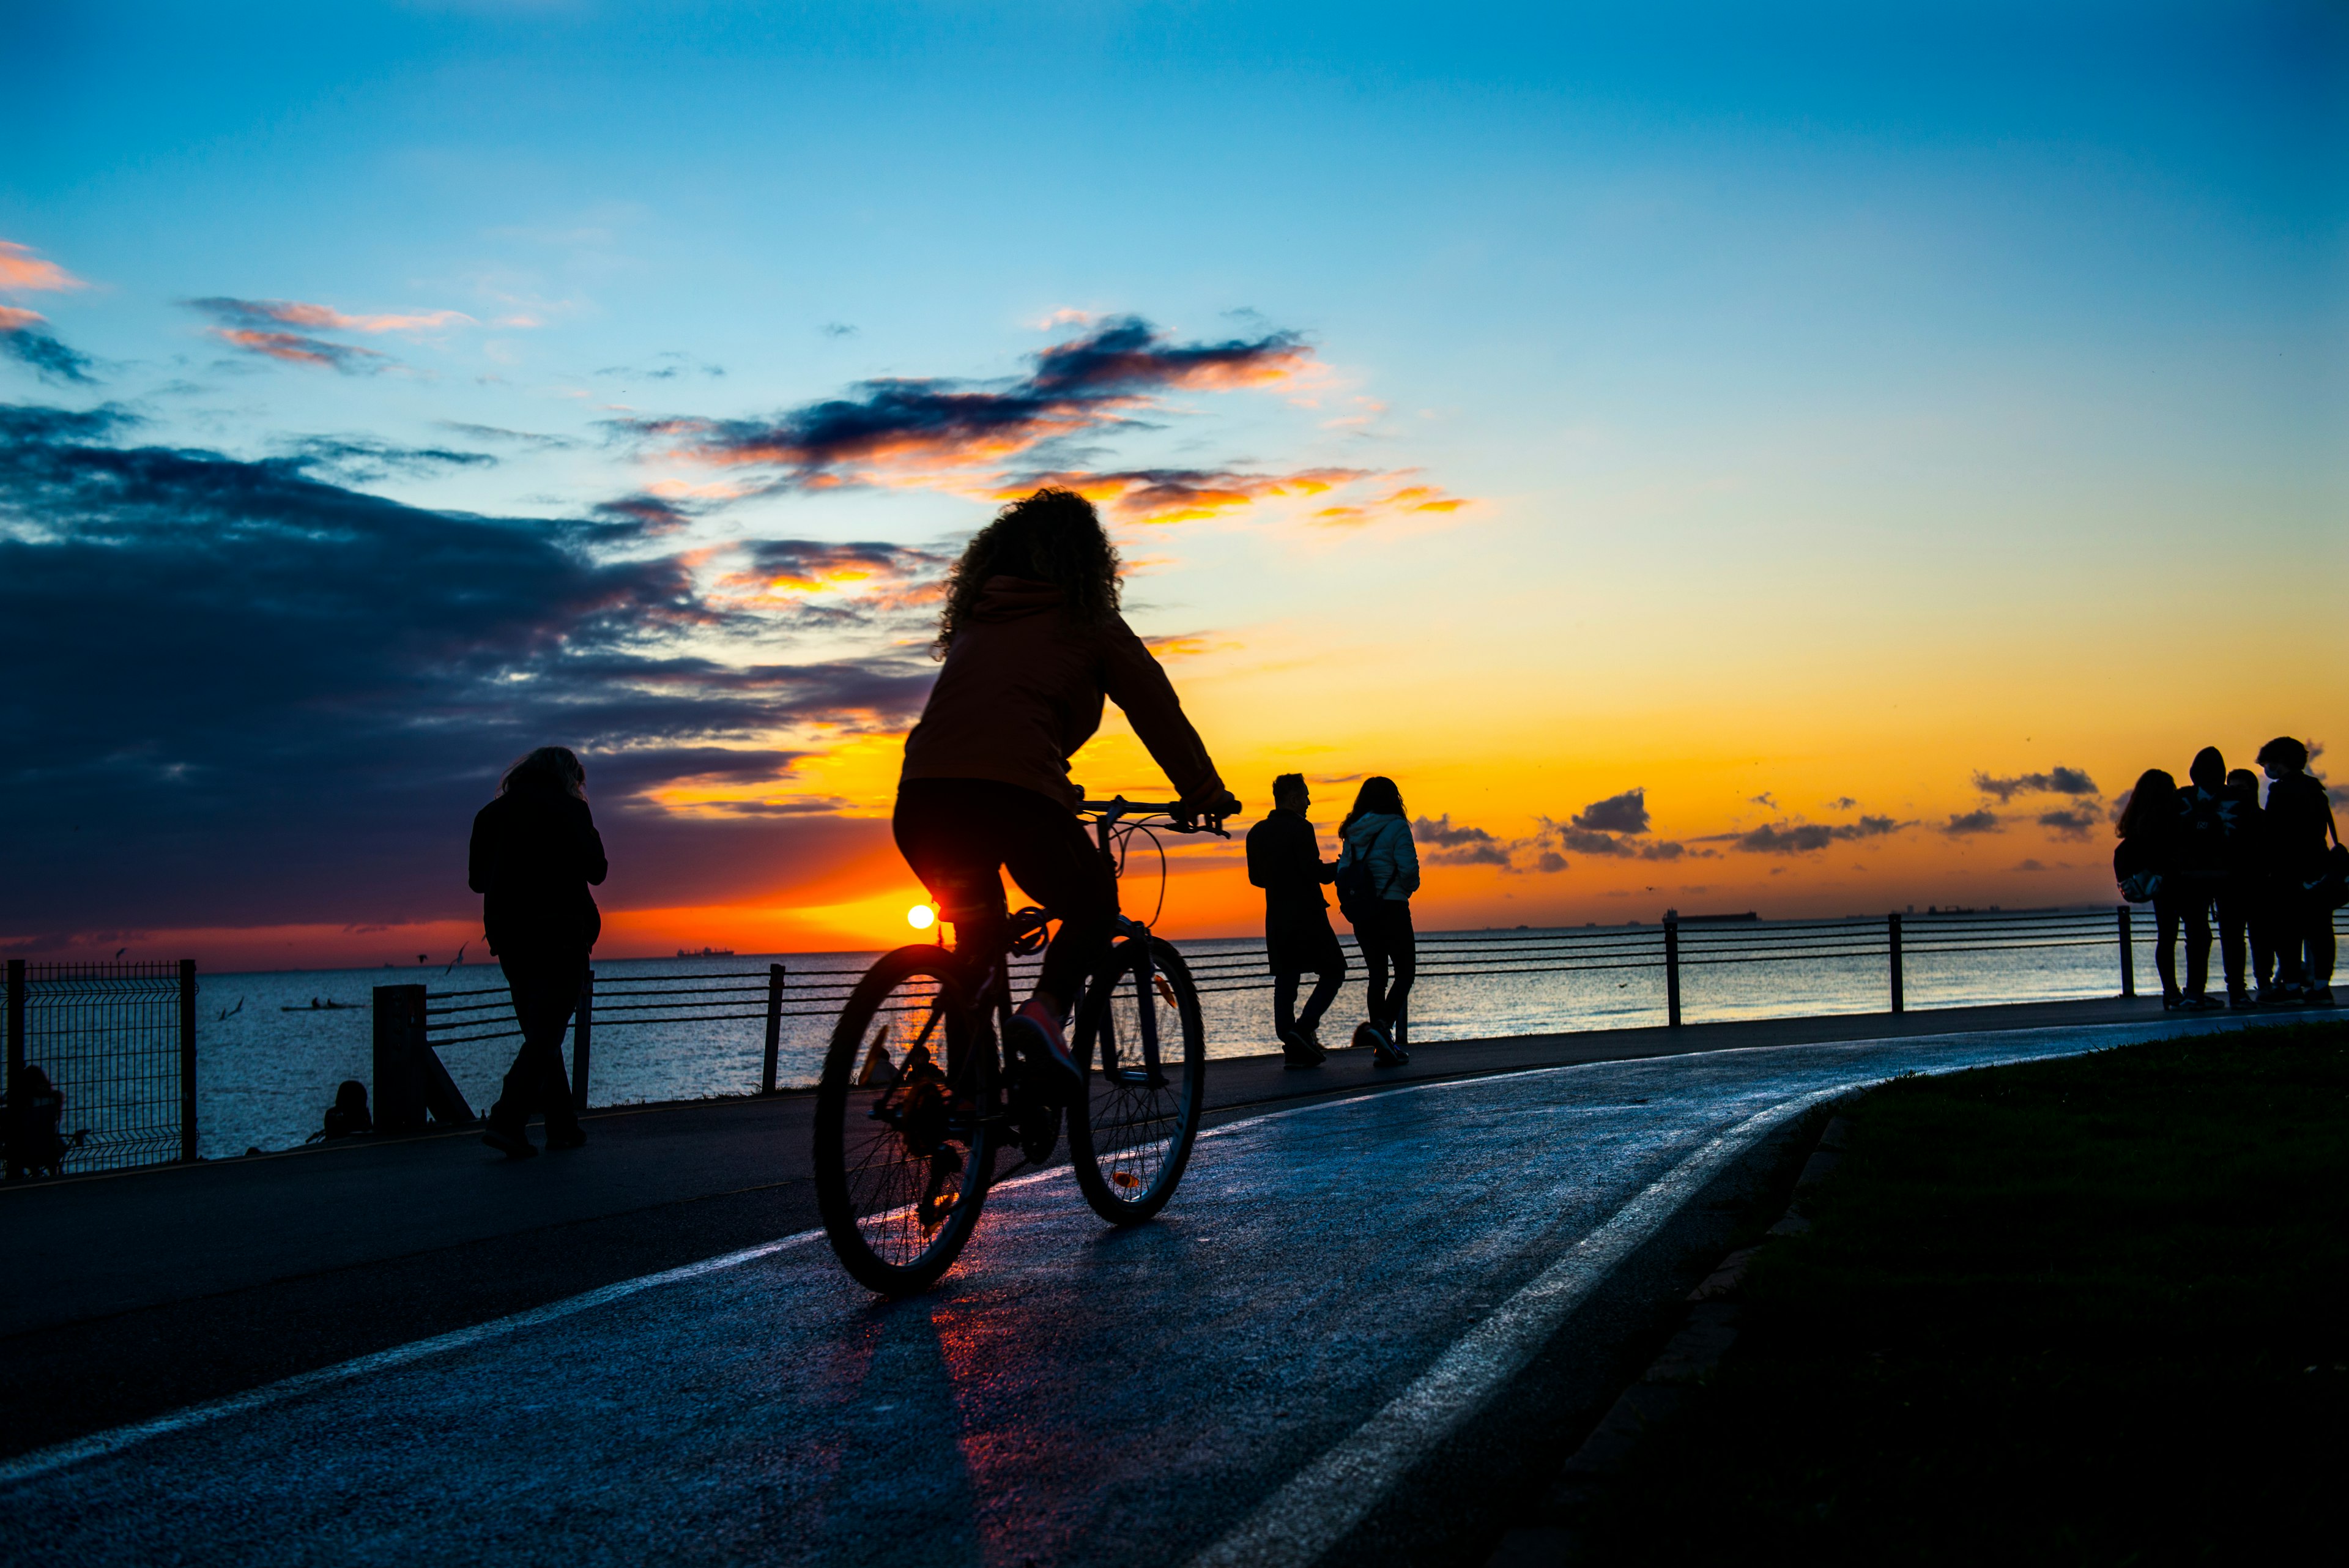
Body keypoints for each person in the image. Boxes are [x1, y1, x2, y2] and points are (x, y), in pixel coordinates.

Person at [894, 488, 1236, 1099]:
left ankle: (968, 1107)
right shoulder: (1091, 621)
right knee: (1094, 904)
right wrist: (1202, 790)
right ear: (1088, 561)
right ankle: (1047, 1012)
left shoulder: (982, 615)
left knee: (977, 948)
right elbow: (1155, 707)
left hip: (922, 799)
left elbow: (987, 723)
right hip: (1014, 796)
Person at [468, 745, 607, 1158]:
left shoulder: (490, 815)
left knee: (541, 1031)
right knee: (547, 1031)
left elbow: (478, 881)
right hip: (561, 932)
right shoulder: (568, 809)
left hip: (510, 938)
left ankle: (562, 1125)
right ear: (567, 777)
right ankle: (507, 1118)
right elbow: (597, 870)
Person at [1247, 774, 1345, 1068]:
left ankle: (1291, 1041)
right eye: (1305, 796)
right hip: (1308, 914)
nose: (1309, 802)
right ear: (1292, 799)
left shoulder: (1256, 832)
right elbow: (1314, 872)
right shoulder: (1301, 828)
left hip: (1277, 916)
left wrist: (1281, 879)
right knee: (1334, 971)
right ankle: (1303, 1029)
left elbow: (1255, 879)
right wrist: (1341, 868)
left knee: (1286, 981)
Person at [1337, 776, 1420, 1065]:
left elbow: (1343, 872)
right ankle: (1383, 1029)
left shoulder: (1352, 831)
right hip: (1393, 907)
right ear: (1393, 799)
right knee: (1405, 972)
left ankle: (1382, 1045)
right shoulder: (1397, 826)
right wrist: (1405, 888)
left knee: (1377, 975)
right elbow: (1409, 869)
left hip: (1363, 912)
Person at [2257, 736, 2336, 1006]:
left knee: (2287, 930)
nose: (2266, 770)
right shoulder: (2315, 789)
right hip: (2318, 868)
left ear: (2279, 763)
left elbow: (2272, 834)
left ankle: (2292, 987)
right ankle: (2322, 986)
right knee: (2321, 930)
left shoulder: (2280, 791)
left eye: (2268, 764)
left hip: (2287, 871)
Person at [2114, 768, 2200, 1009]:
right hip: (2180, 882)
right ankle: (2193, 992)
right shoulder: (2170, 815)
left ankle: (2170, 991)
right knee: (2196, 935)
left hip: (2160, 887)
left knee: (2167, 937)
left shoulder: (2136, 820)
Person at [2175, 747, 2249, 1007]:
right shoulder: (2239, 799)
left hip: (2191, 879)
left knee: (2195, 937)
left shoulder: (2181, 798)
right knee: (2233, 936)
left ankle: (2195, 992)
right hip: (2231, 878)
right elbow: (2251, 840)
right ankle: (2238, 993)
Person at [2225, 767, 2274, 998]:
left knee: (2261, 938)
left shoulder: (2264, 819)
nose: (2236, 793)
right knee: (2235, 940)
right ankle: (2237, 987)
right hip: (2230, 888)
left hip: (2259, 887)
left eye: (2240, 789)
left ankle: (2264, 982)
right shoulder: (2223, 822)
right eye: (2232, 789)